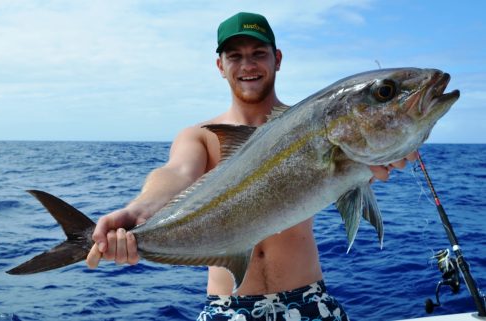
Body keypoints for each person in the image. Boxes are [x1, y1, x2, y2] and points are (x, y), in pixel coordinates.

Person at [86, 12, 416, 321]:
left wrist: (381, 157)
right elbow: (176, 174)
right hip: (227, 308)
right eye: (235, 56)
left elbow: (350, 176)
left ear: (278, 58)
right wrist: (140, 211)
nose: (248, 65)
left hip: (309, 300)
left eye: (258, 53)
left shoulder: (315, 125)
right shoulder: (201, 136)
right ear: (220, 65)